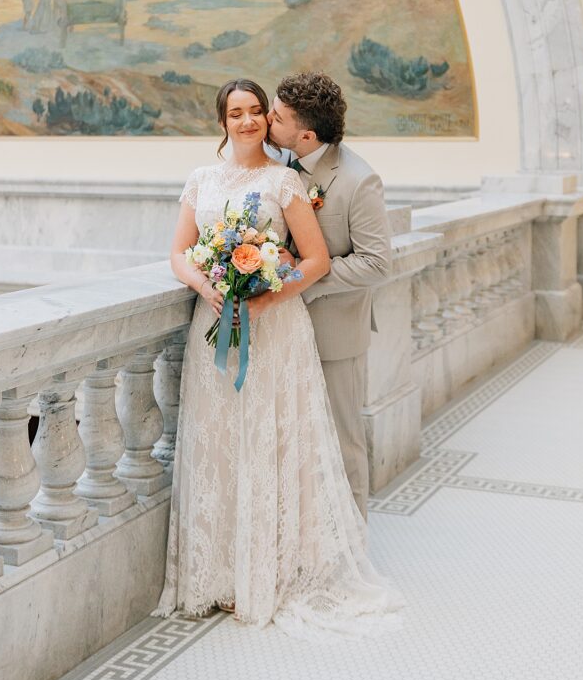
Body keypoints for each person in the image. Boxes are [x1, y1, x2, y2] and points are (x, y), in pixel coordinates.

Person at [153, 78, 403, 639]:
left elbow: (315, 260)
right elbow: (177, 250)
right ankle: (222, 569)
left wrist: (265, 296)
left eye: (259, 112)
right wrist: (207, 283)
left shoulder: (290, 177)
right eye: (236, 113)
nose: (249, 121)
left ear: (275, 121)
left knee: (287, 441)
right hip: (212, 324)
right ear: (222, 121)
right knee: (222, 442)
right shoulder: (201, 179)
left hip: (278, 328)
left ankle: (293, 563)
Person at [268, 73, 391, 519]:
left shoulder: (359, 180)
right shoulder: (278, 165)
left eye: (276, 117)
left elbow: (377, 262)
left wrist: (305, 276)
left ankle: (354, 541)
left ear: (306, 134)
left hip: (335, 334)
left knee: (342, 440)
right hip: (281, 330)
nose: (266, 119)